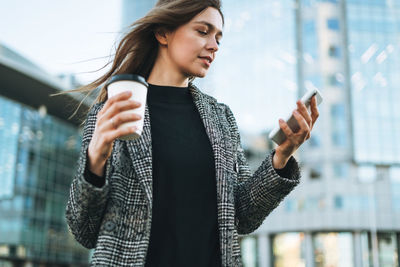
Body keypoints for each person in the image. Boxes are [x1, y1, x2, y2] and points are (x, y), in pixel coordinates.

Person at [65, 0, 319, 266]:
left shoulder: (222, 118)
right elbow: (84, 230)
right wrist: (96, 159)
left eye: (218, 37)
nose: (214, 45)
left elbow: (243, 217)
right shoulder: (114, 111)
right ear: (163, 33)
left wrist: (282, 156)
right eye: (203, 31)